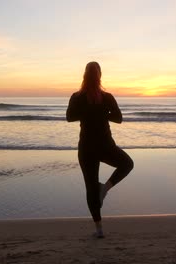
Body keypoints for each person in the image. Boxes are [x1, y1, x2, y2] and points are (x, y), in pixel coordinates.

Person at [66, 61, 134, 238]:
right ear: (100, 76)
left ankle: (99, 229)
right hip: (105, 145)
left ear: (84, 75)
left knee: (91, 187)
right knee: (127, 164)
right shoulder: (107, 97)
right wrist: (103, 112)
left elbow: (69, 117)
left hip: (87, 147)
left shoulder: (77, 97)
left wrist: (87, 112)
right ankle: (105, 188)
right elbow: (119, 118)